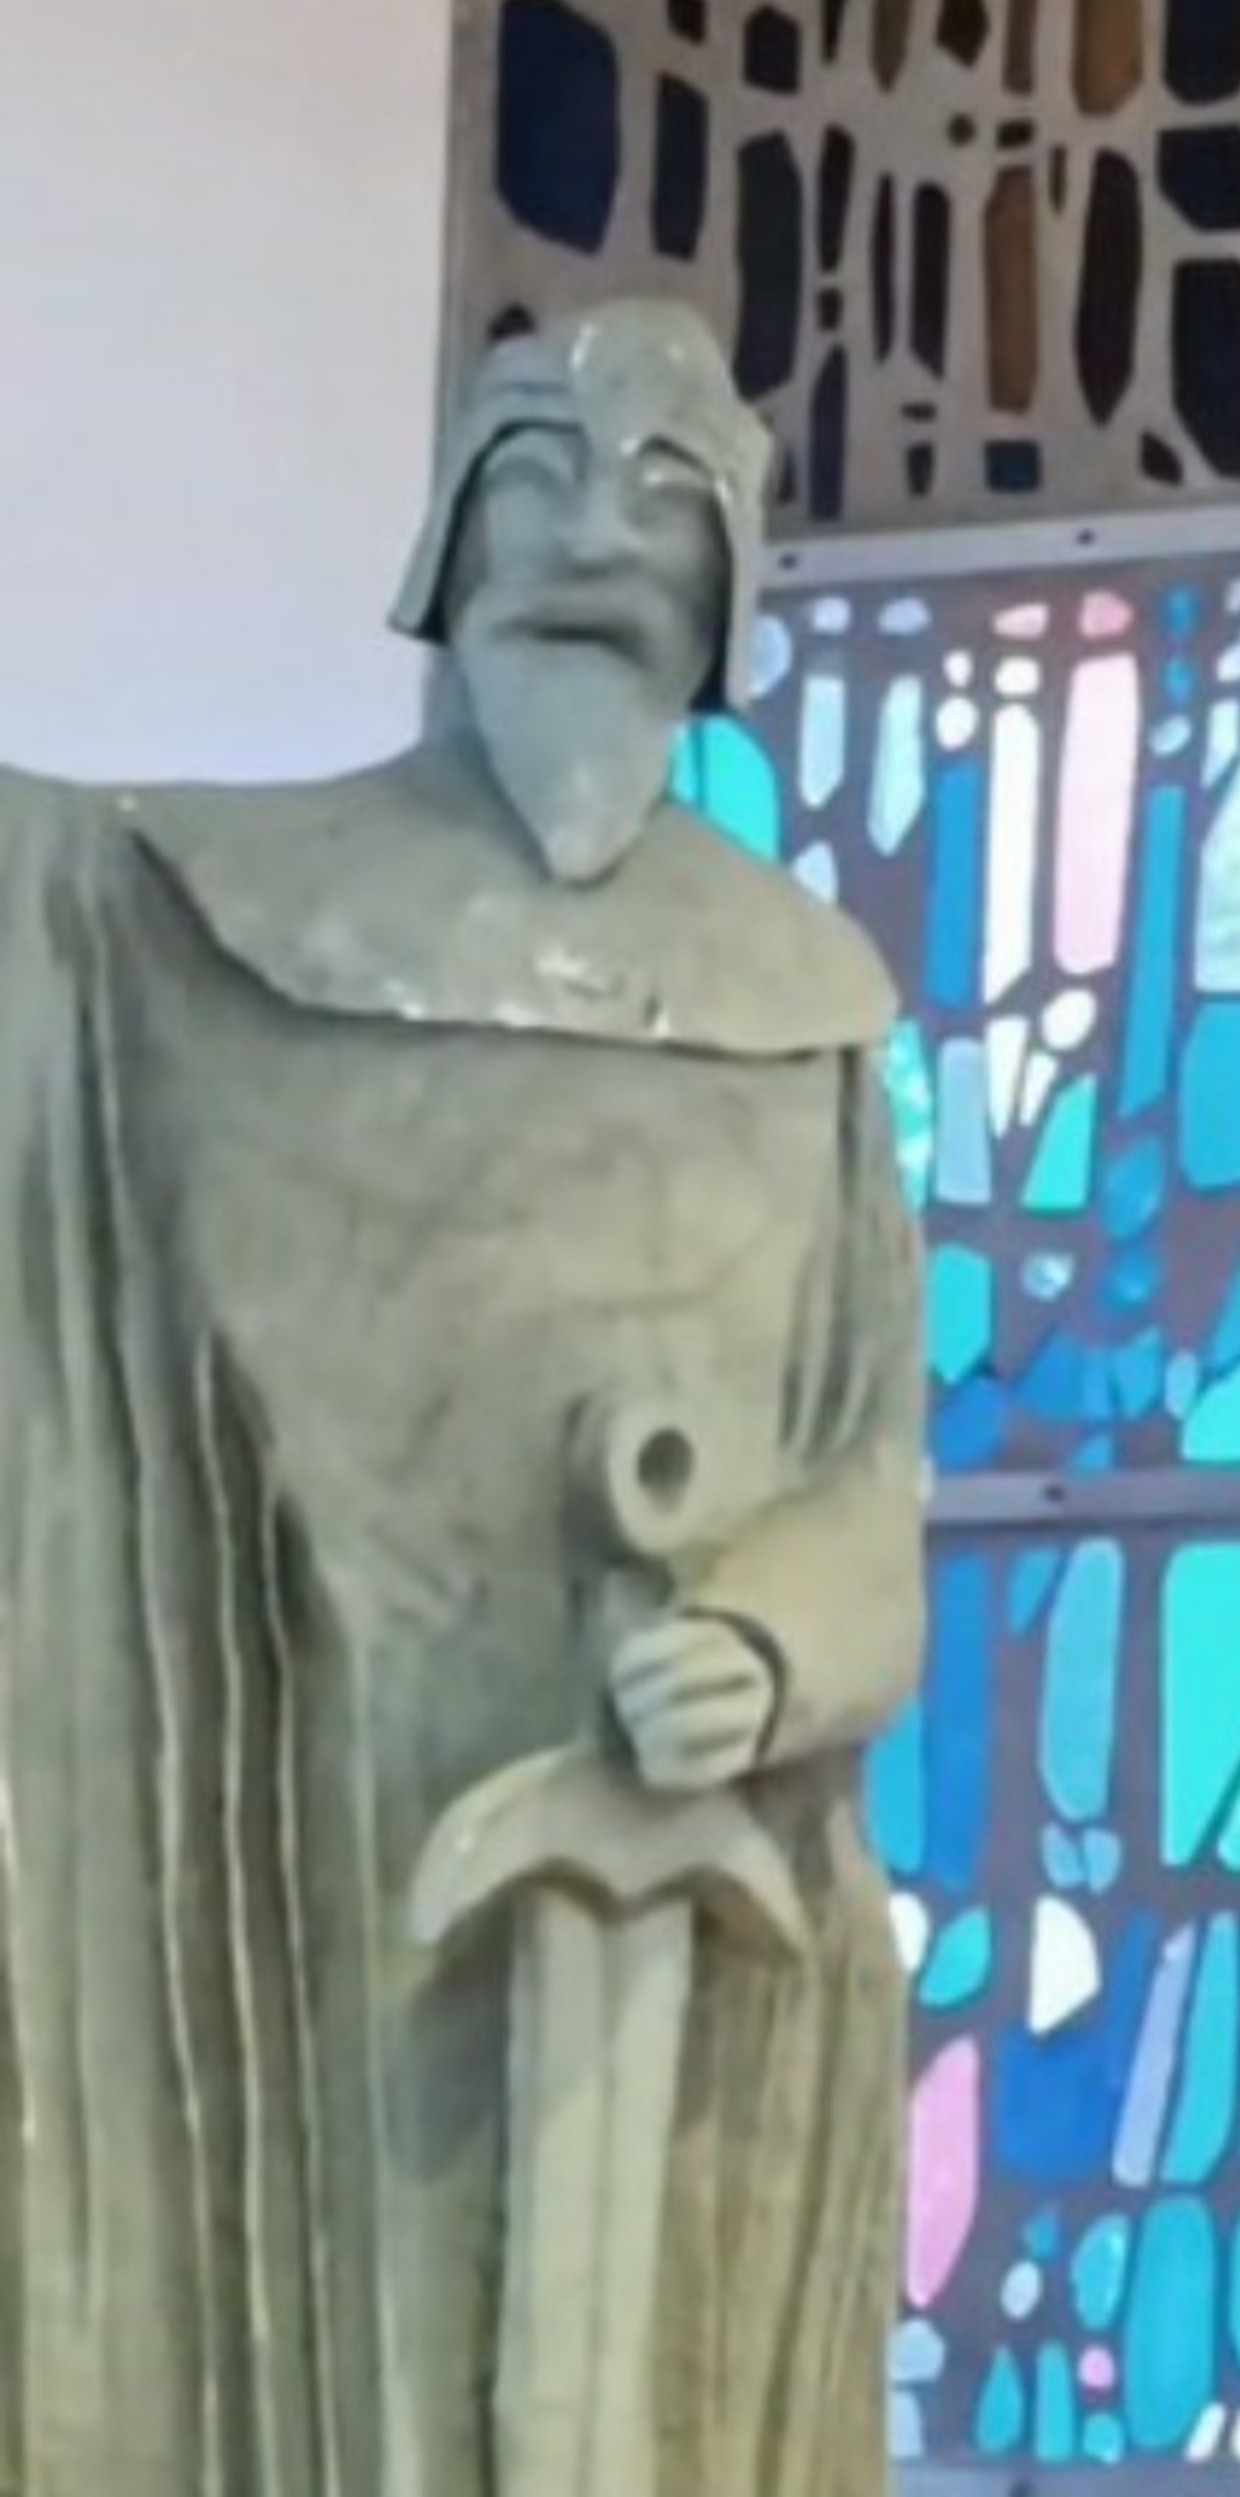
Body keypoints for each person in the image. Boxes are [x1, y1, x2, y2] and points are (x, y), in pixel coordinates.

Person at [0, 299, 925, 2496]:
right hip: (279, 1870)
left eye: (665, 493)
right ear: (444, 543)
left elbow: (868, 1477)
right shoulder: (177, 916)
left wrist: (766, 1646)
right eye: (536, 472)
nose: (594, 534)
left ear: (732, 588)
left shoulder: (801, 1015)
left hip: (691, 1908)